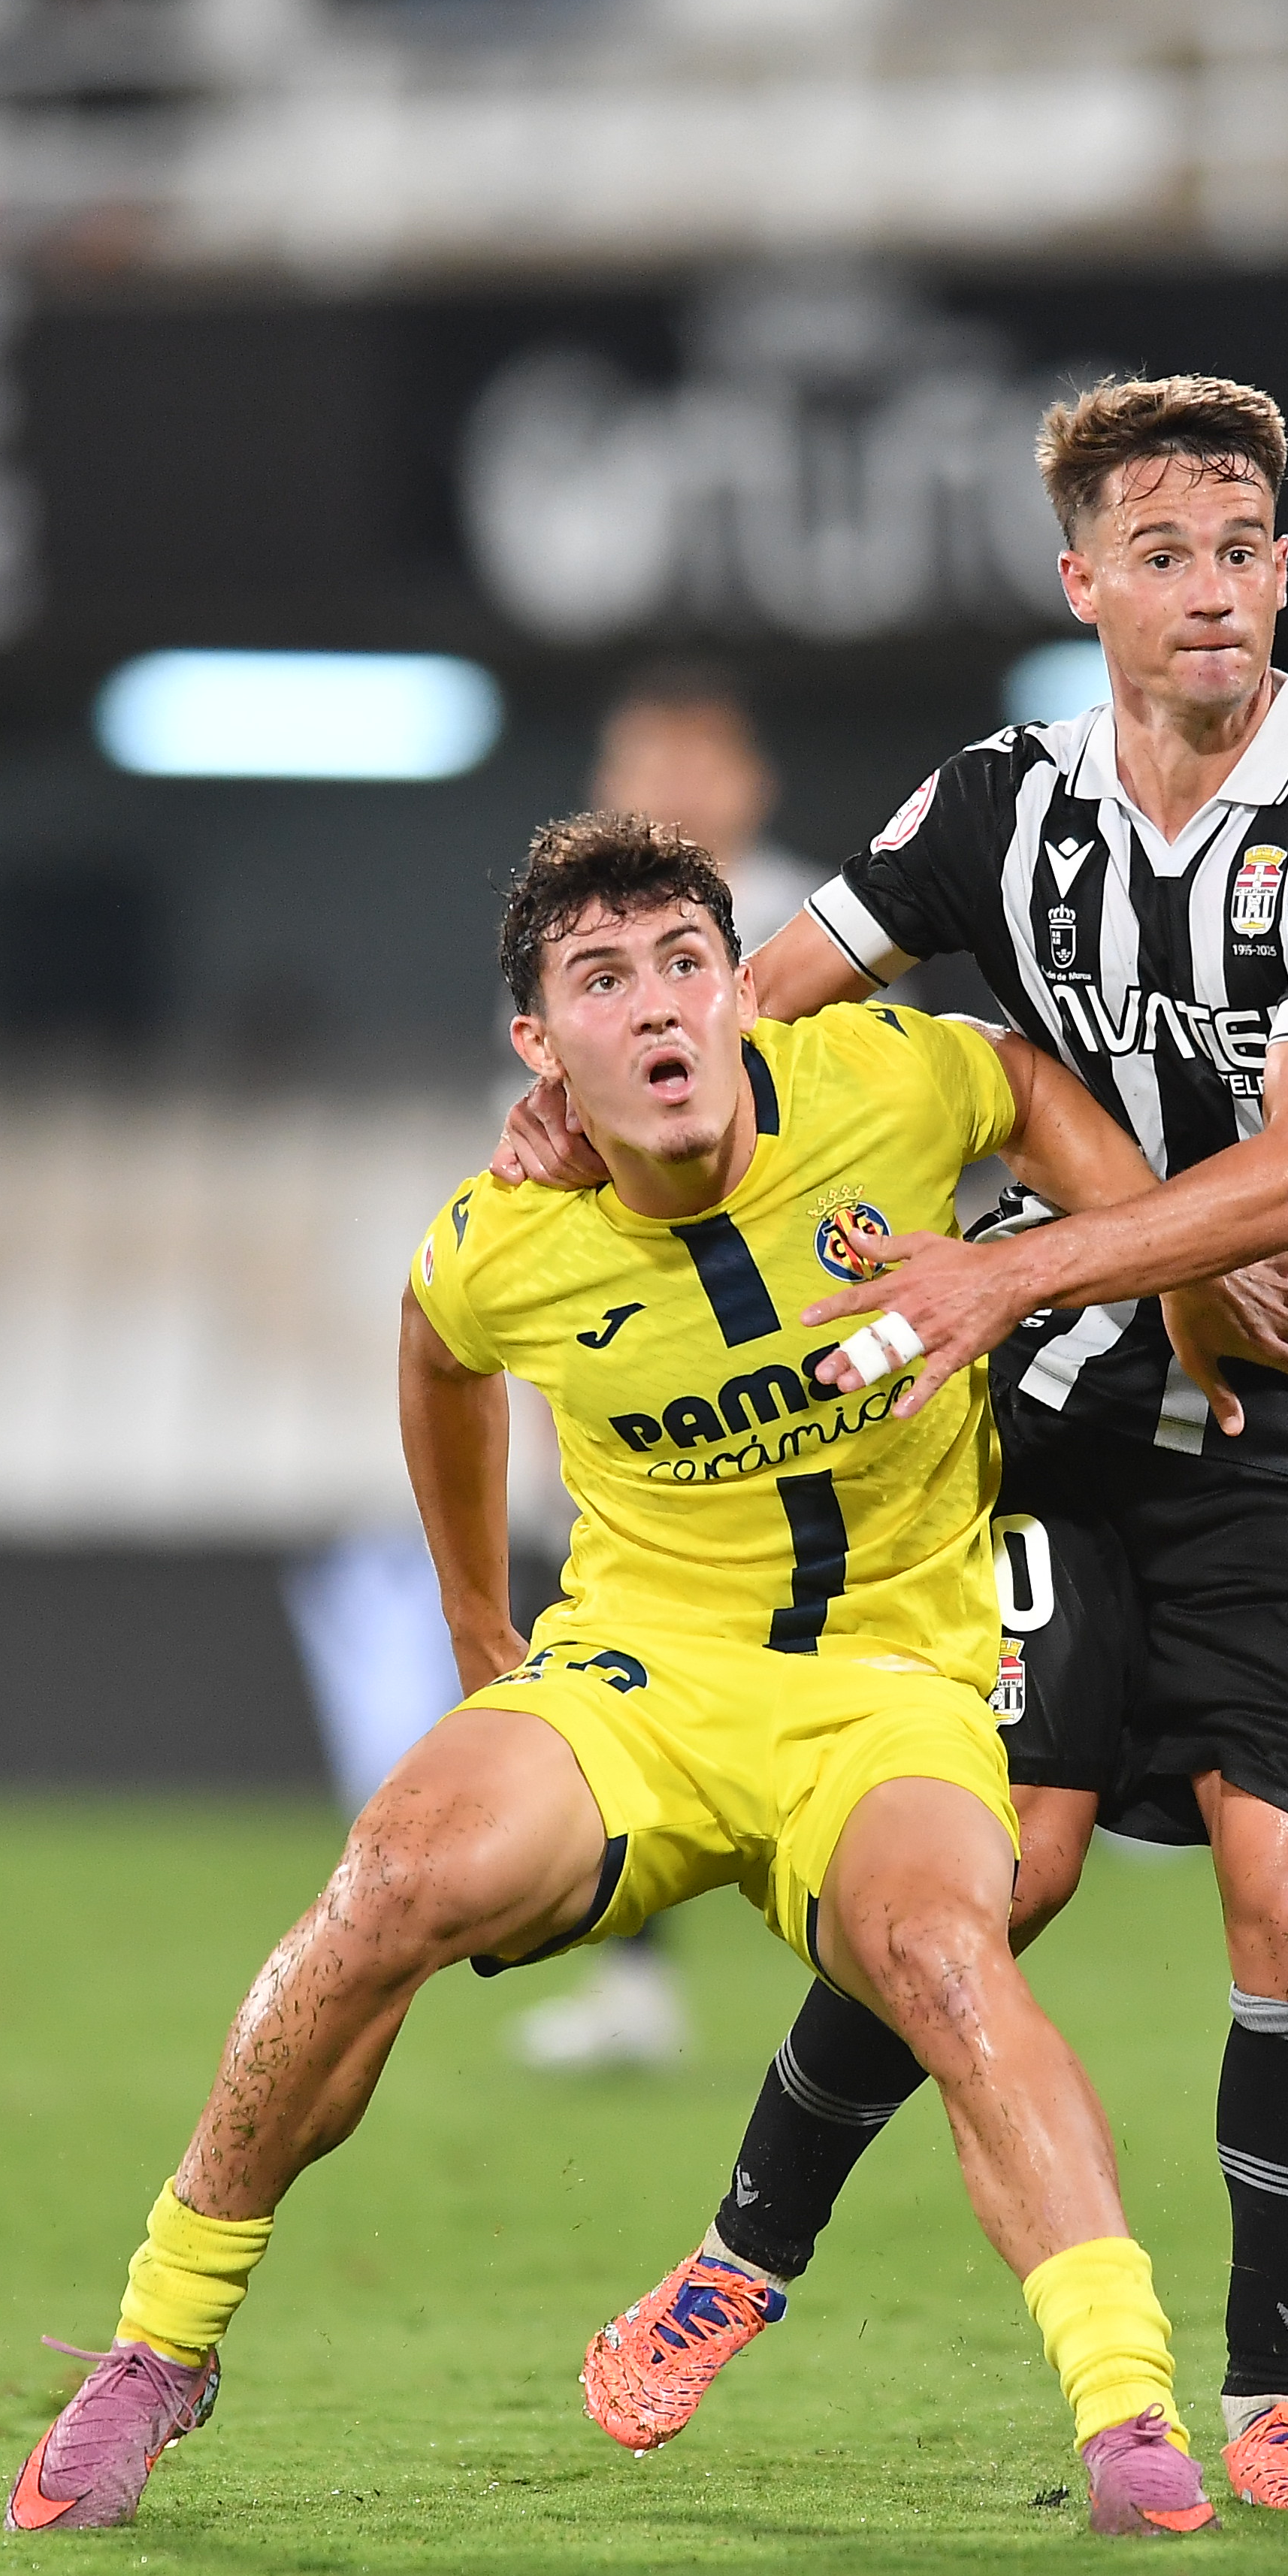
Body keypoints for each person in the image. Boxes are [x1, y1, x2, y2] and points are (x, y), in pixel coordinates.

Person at [9, 810, 1288, 2543]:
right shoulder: (512, 1234)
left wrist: (1157, 1258)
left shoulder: (881, 1082)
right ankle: (157, 2343)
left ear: (736, 991)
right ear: (542, 1047)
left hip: (885, 1684)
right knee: (393, 1877)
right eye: (600, 979)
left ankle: (1129, 2416)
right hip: (639, 1681)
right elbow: (437, 1346)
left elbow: (1016, 1081)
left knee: (953, 1952)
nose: (654, 1008)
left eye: (684, 964)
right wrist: (477, 1616)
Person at [494, 373, 1288, 2514]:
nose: (1209, 592)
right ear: (1086, 586)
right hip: (1022, 1446)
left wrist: (1013, 1269)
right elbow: (765, 994)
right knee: (983, 1876)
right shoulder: (999, 806)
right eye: (1164, 556)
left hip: (1272, 1444)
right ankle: (742, 2256)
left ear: (1281, 576)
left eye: (1242, 553)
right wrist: (612, 1081)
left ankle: (1279, 2399)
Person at [509, 663, 832, 2071]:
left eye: (696, 767)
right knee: (634, 1664)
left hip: (817, 1352)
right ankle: (634, 1977)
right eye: (645, 767)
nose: (676, 795)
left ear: (747, 785)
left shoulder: (819, 921)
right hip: (651, 1358)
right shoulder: (572, 947)